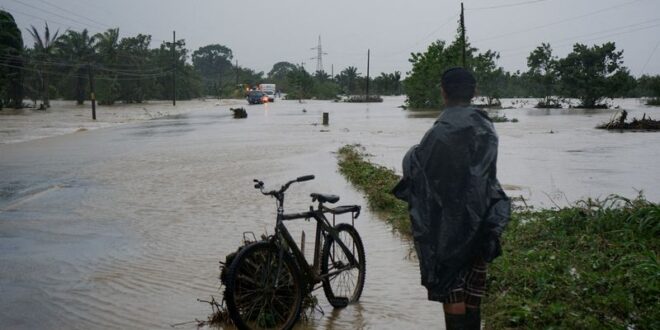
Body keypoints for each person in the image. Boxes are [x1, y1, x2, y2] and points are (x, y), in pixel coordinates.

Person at [393, 67, 511, 330]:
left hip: (447, 230)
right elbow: (485, 177)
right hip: (481, 221)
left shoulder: (438, 133)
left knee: (452, 293)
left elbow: (418, 172)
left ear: (443, 92)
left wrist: (412, 153)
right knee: (473, 294)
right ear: (474, 92)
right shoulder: (488, 128)